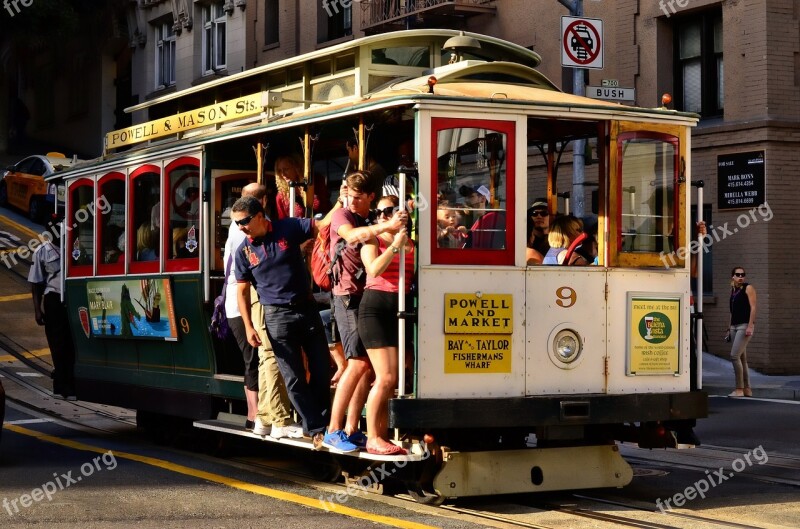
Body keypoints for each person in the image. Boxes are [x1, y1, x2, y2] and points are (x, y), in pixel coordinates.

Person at [232, 196, 330, 447]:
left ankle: (323, 420)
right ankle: (316, 427)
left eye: (243, 222)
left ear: (259, 216)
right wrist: (249, 325)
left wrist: (341, 203)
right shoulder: (243, 251)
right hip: (276, 316)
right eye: (236, 224)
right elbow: (241, 291)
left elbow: (322, 225)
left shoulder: (288, 227)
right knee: (293, 375)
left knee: (320, 368)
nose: (240, 227)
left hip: (306, 308)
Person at [323, 171, 405, 453]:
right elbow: (352, 236)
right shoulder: (342, 216)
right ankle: (333, 429)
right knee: (356, 362)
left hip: (365, 294)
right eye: (348, 195)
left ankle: (352, 428)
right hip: (347, 295)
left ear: (370, 197)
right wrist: (388, 228)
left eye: (357, 197)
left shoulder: (369, 218)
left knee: (368, 367)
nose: (350, 201)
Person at [238, 183, 299, 438]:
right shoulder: (250, 230)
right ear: (262, 203)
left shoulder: (243, 226)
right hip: (261, 297)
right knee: (272, 355)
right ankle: (280, 420)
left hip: (256, 298)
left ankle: (264, 417)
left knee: (267, 357)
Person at [358, 194, 414, 455]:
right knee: (386, 377)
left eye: (389, 210)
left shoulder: (413, 244)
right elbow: (373, 270)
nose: (383, 216)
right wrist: (395, 246)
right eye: (380, 212)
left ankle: (388, 434)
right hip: (376, 308)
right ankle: (373, 437)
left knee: (397, 378)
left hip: (400, 310)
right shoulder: (373, 239)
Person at [28, 222, 76, 400]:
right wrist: (37, 310)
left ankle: (70, 382)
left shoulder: (74, 246)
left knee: (71, 342)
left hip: (71, 299)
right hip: (54, 299)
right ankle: (61, 384)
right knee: (57, 344)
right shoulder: (42, 251)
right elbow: (35, 282)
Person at [726, 267, 756, 398]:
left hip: (744, 326)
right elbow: (732, 312)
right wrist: (728, 327)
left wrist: (750, 325)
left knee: (734, 356)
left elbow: (753, 307)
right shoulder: (733, 290)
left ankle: (739, 389)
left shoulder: (748, 288)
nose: (740, 277)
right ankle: (747, 389)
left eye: (743, 274)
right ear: (733, 276)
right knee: (742, 358)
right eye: (737, 274)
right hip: (734, 326)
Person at [274, 154, 331, 219]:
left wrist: (303, 190)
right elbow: (282, 221)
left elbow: (318, 207)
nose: (283, 174)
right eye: (279, 171)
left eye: (286, 169)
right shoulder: (281, 196)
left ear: (296, 167)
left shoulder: (313, 182)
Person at [460, 184, 506, 249]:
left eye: (471, 196)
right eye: (466, 197)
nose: (467, 200)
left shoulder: (491, 218)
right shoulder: (477, 219)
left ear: (483, 199)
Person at [525, 199, 550, 264]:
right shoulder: (525, 240)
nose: (539, 216)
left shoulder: (556, 242)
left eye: (544, 213)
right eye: (534, 213)